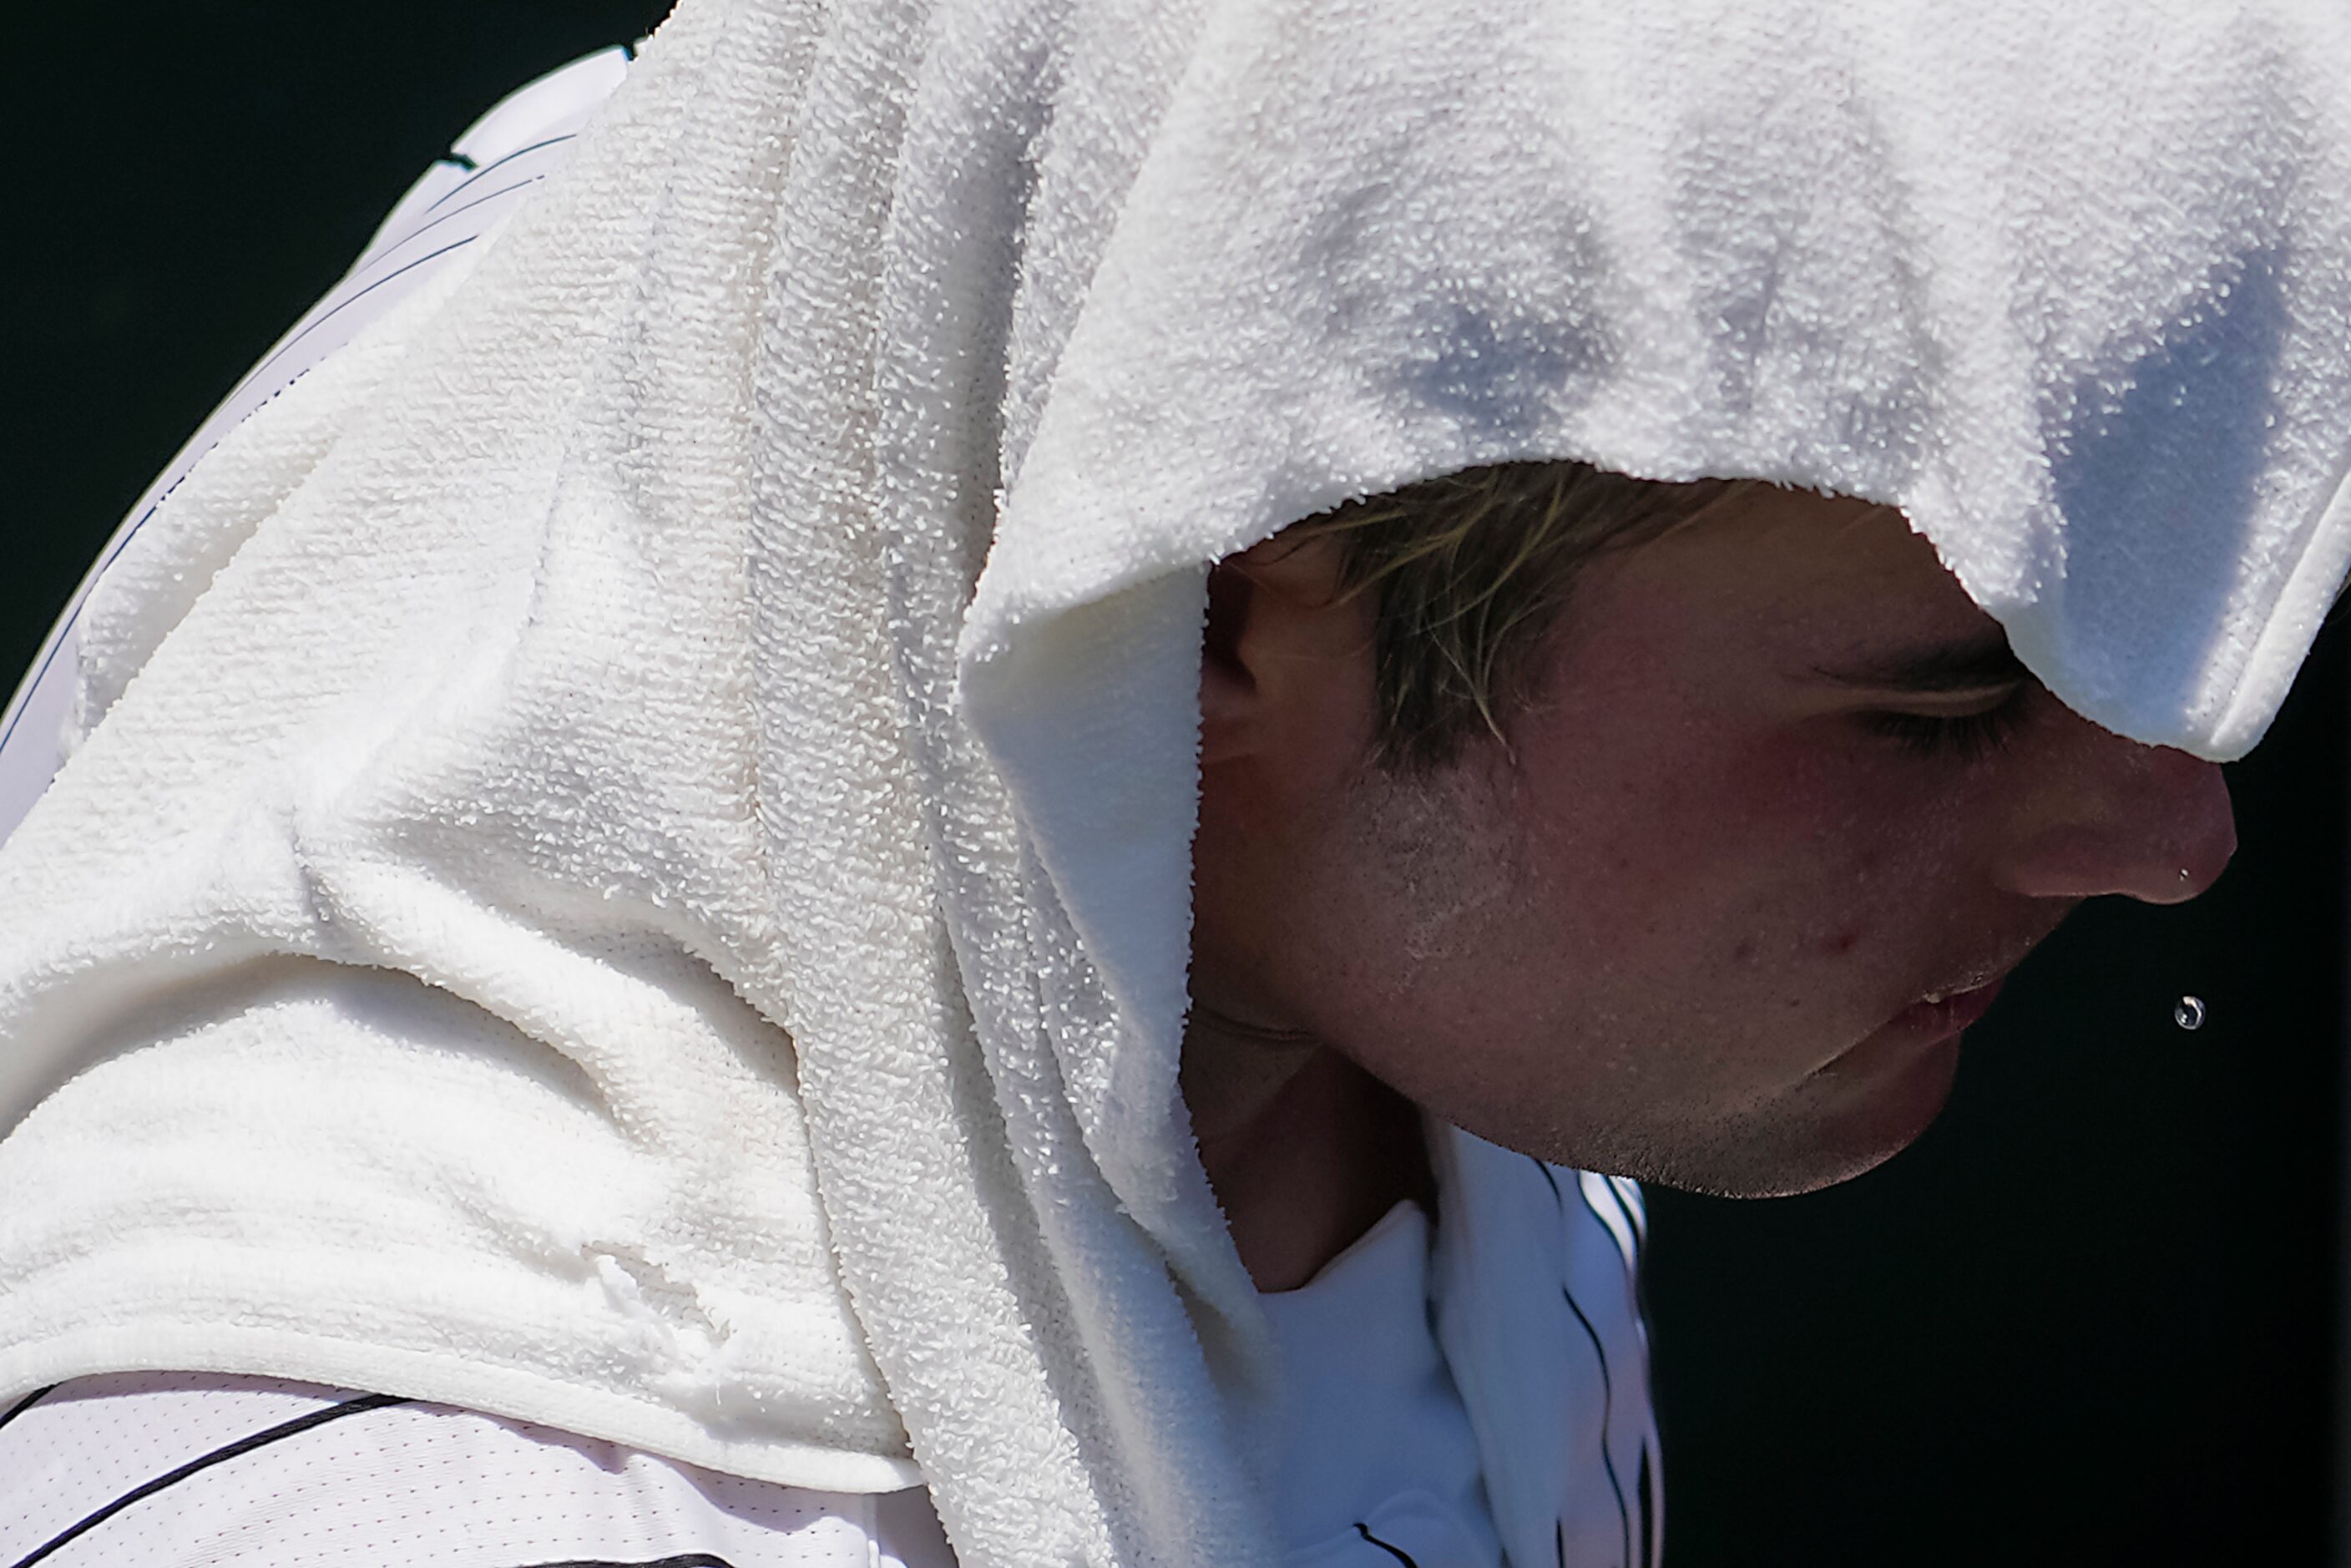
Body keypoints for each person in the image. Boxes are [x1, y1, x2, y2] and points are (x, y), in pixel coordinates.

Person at [0, 3, 2341, 1565]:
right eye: (1944, 707)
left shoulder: (949, 278)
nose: (2172, 834)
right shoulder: (405, 1513)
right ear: (1200, 609)